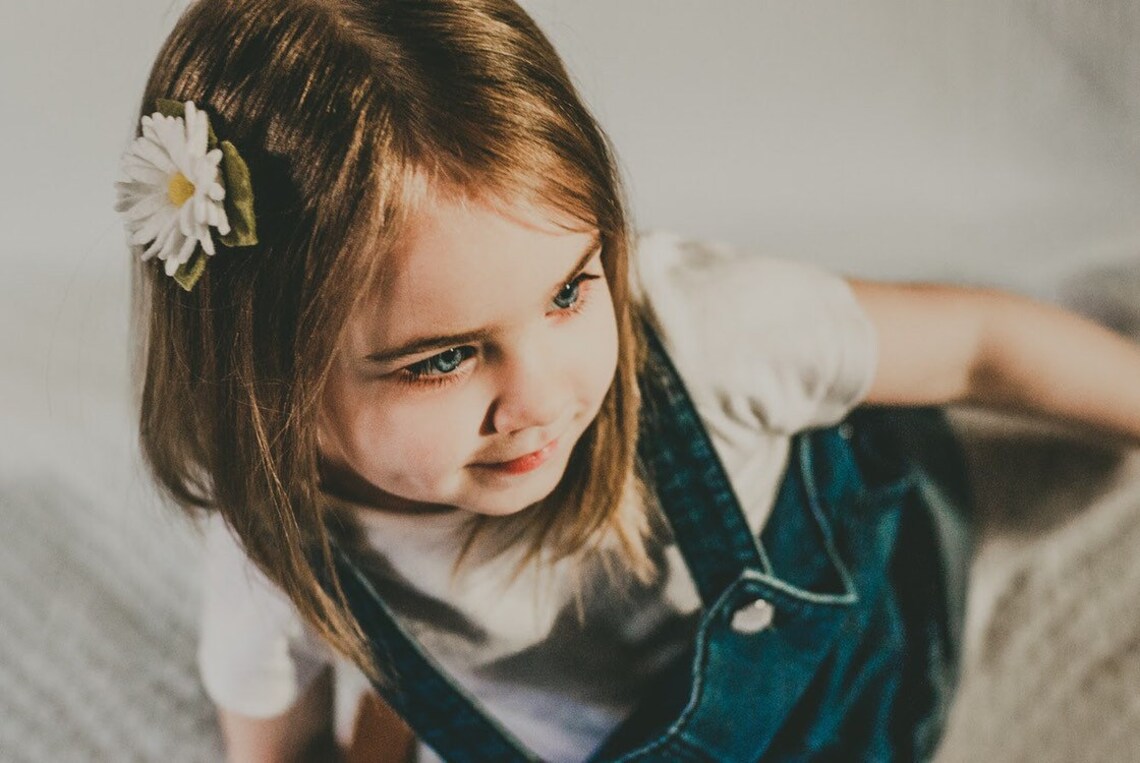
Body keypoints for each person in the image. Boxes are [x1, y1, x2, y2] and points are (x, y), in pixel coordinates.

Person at [115, 0, 1140, 760]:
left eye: (570, 290)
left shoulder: (705, 328)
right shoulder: (274, 544)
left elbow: (978, 345)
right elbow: (278, 749)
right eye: (445, 356)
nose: (542, 395)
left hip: (866, 644)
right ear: (264, 384)